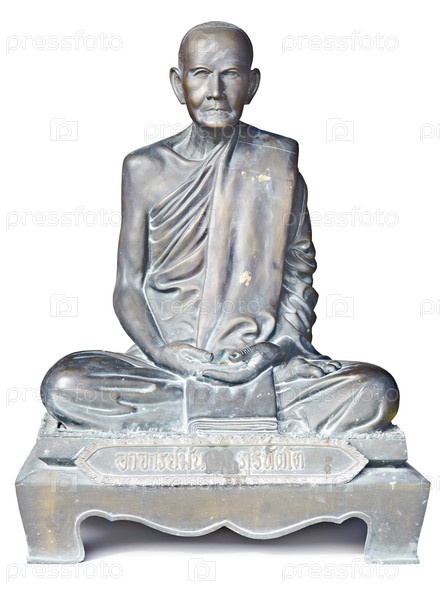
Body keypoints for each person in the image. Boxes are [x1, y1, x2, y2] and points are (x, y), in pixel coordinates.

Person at [41, 21, 399, 434]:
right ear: (178, 85)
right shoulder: (144, 170)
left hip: (260, 365)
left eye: (231, 74)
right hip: (169, 366)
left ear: (252, 84)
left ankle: (195, 411)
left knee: (375, 391)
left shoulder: (276, 164)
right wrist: (162, 351)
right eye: (200, 74)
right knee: (65, 385)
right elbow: (128, 287)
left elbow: (299, 278)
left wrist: (275, 348)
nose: (215, 91)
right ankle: (236, 410)